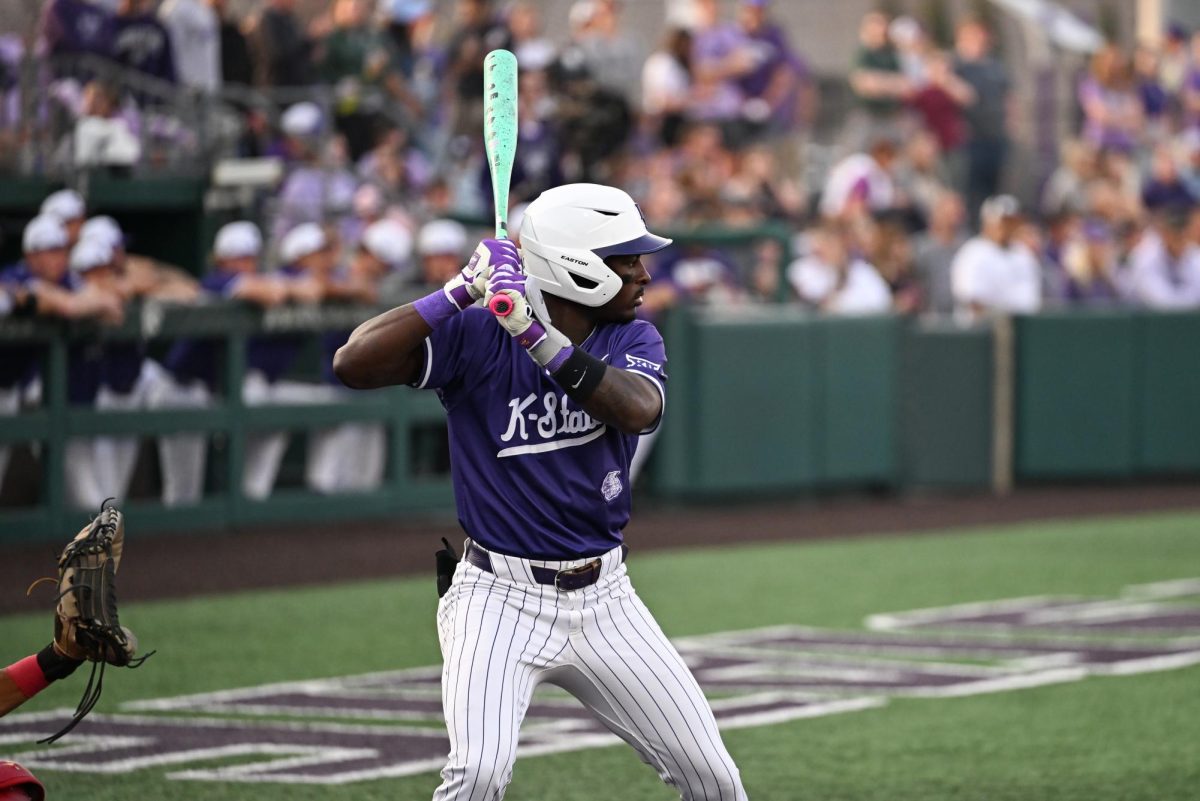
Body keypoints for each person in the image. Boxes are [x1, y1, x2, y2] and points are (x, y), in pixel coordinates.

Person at [333, 183, 747, 801]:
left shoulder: (633, 337)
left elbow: (635, 408)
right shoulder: (478, 333)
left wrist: (533, 334)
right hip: (497, 596)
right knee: (476, 776)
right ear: (575, 267)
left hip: (606, 599)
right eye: (624, 259)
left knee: (714, 780)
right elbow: (353, 364)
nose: (642, 272)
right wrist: (458, 292)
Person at [950, 194, 1042, 320]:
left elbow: (1031, 301)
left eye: (1012, 222)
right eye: (1003, 221)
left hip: (1021, 328)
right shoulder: (973, 253)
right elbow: (973, 302)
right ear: (988, 222)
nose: (1008, 227)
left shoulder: (1023, 254)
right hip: (982, 331)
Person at [953, 19, 1011, 219]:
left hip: (995, 136)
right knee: (971, 191)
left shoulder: (995, 66)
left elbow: (1008, 96)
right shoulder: (957, 64)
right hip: (971, 138)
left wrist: (1010, 124)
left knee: (993, 191)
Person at [788, 222, 892, 314]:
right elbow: (813, 300)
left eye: (835, 245)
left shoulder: (861, 269)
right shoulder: (805, 268)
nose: (831, 250)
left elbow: (881, 300)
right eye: (827, 243)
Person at [1125, 205, 1200, 309]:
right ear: (1163, 231)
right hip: (1145, 321)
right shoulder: (1144, 256)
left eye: (1182, 232)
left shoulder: (1195, 255)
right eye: (1173, 231)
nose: (1178, 236)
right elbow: (1160, 301)